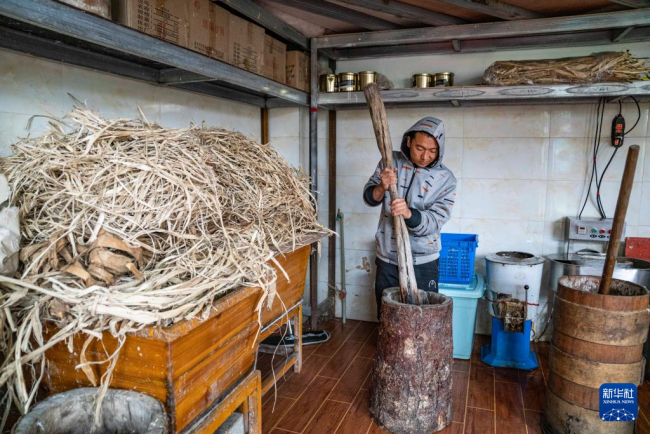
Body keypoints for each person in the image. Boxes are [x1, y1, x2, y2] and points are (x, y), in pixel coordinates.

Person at [363, 117, 457, 317]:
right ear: (408, 141)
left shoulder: (446, 179)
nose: (425, 156)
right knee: (388, 317)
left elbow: (435, 221)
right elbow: (370, 198)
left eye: (433, 151)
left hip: (423, 261)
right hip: (388, 258)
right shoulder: (390, 162)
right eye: (420, 148)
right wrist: (382, 186)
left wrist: (408, 213)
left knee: (423, 319)